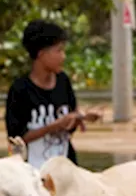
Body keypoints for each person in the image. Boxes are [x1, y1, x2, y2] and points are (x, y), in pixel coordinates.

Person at [6, 20, 101, 170]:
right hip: (33, 171)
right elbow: (17, 139)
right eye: (59, 51)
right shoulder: (20, 90)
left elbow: (69, 126)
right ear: (41, 54)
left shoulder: (63, 82)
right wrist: (54, 126)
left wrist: (79, 118)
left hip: (64, 167)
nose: (63, 57)